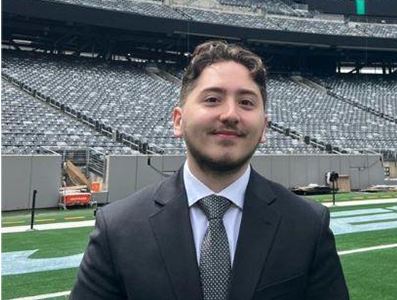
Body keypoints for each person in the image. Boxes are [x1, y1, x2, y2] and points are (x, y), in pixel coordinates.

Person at [71, 41, 349, 300]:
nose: (230, 114)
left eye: (246, 102)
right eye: (213, 99)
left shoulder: (308, 225)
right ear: (178, 121)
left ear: (264, 127)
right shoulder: (117, 227)